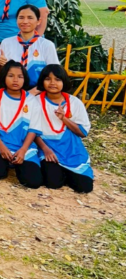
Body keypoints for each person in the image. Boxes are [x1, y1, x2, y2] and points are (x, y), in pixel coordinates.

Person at [31, 65, 93, 193]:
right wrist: (46, 150)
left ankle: (68, 171)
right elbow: (31, 131)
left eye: (58, 79)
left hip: (71, 149)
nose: (53, 83)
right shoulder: (34, 102)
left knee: (85, 187)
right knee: (53, 183)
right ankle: (59, 171)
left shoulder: (75, 103)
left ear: (64, 82)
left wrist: (64, 118)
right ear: (42, 81)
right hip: (46, 147)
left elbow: (82, 132)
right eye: (48, 79)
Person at [0, 60, 43, 188]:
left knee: (33, 182)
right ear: (4, 77)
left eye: (20, 76)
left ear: (25, 79)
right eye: (11, 76)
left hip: (23, 146)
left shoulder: (31, 100)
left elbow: (33, 129)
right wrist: (0, 146)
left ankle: (17, 163)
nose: (15, 80)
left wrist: (23, 150)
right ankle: (4, 163)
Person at [0, 5, 59, 91]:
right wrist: (0, 65)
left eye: (30, 18)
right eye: (21, 17)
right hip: (12, 90)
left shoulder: (47, 45)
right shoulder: (6, 43)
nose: (25, 21)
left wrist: (35, 92)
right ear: (16, 20)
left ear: (38, 21)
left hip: (39, 91)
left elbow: (54, 73)